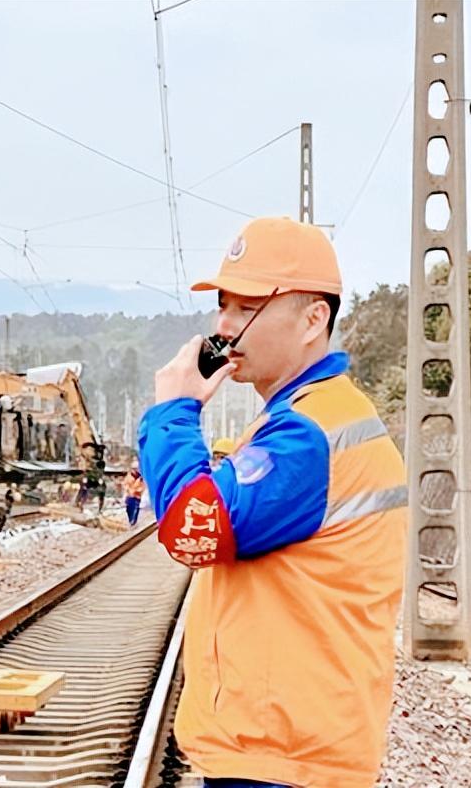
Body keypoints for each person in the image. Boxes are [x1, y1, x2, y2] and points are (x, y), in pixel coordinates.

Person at [138, 217, 407, 788]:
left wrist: (173, 412)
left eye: (246, 308)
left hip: (285, 756)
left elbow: (194, 527)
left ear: (314, 319)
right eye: (223, 306)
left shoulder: (308, 434)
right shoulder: (304, 418)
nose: (225, 326)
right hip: (290, 743)